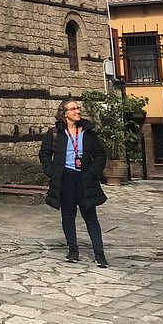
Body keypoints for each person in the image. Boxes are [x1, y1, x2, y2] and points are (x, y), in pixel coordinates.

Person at [38, 99, 109, 268]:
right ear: (64, 114)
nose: (78, 111)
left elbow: (100, 155)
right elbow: (44, 154)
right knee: (68, 216)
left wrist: (92, 172)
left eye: (78, 108)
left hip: (85, 178)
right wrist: (53, 173)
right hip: (66, 179)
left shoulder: (88, 132)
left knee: (90, 217)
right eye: (73, 109)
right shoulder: (55, 133)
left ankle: (99, 253)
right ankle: (73, 250)